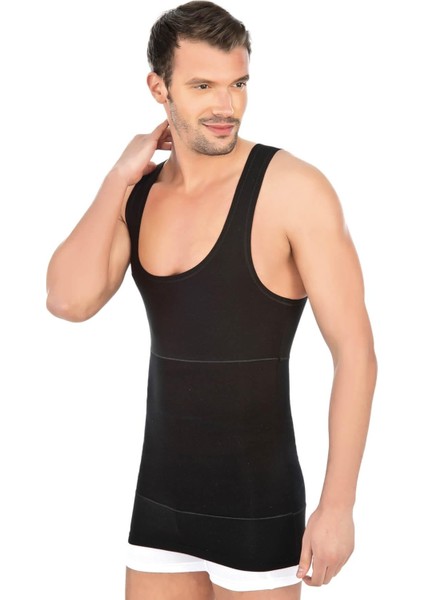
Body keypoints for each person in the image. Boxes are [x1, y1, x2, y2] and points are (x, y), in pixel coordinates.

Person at [46, 1, 377, 598]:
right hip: (161, 503)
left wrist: (338, 506)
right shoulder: (139, 193)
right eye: (203, 86)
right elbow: (68, 301)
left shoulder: (293, 189)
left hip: (258, 507)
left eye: (238, 84)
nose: (226, 106)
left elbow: (355, 352)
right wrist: (117, 178)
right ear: (159, 88)